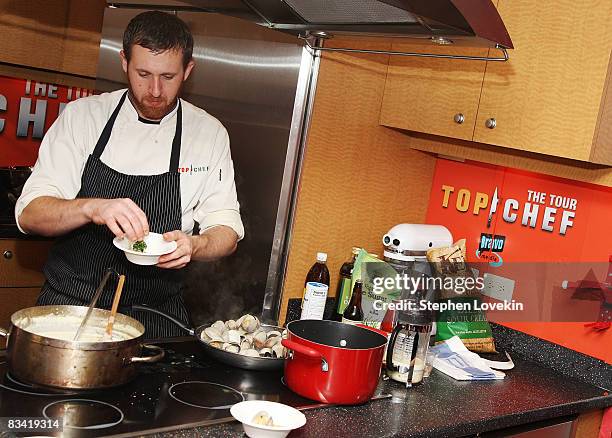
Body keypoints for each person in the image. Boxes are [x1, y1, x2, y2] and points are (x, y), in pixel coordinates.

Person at [15, 11, 244, 338]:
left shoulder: (208, 134)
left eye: (168, 76)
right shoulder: (83, 118)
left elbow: (227, 230)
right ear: (124, 62)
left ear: (188, 71)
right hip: (73, 311)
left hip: (157, 316)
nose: (154, 90)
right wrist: (91, 208)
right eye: (143, 73)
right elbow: (30, 214)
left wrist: (196, 244)